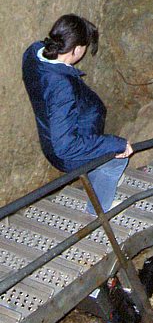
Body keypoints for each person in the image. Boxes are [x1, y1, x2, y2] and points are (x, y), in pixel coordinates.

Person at [22, 14, 133, 214]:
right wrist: (116, 144)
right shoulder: (60, 86)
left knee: (106, 157)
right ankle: (98, 210)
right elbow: (66, 147)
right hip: (68, 152)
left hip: (59, 133)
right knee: (118, 159)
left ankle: (99, 175)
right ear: (77, 49)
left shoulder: (34, 53)